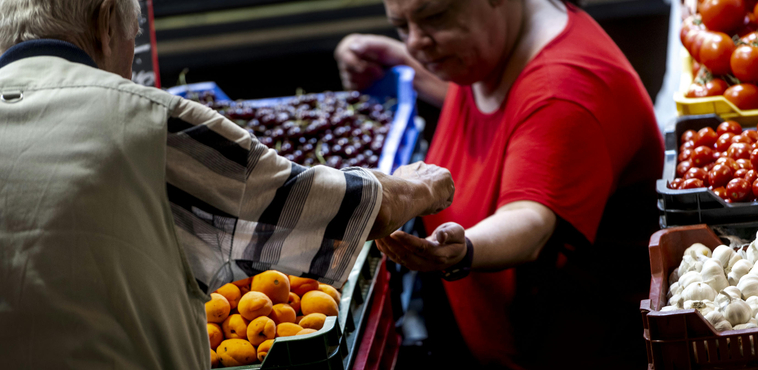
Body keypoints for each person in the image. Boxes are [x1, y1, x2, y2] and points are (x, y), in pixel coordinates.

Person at [0, 1, 454, 369]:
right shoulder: (148, 119)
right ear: (104, 24)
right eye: (131, 39)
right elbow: (333, 208)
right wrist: (422, 185)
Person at [336, 0, 665, 369]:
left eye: (433, 17)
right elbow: (502, 117)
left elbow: (530, 221)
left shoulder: (566, 91)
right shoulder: (495, 46)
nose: (414, 41)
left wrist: (462, 250)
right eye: (401, 26)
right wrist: (399, 62)